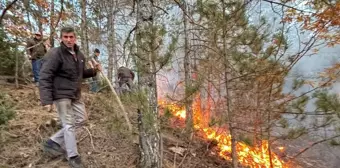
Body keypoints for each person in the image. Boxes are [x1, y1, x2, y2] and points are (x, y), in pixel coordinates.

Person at [39, 26, 101, 168]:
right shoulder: (55, 54)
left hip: (75, 94)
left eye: (71, 37)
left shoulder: (79, 55)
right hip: (61, 94)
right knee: (68, 124)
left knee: (81, 120)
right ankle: (73, 156)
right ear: (61, 38)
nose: (68, 40)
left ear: (75, 38)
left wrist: (93, 71)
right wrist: (46, 100)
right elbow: (44, 76)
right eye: (65, 37)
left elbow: (80, 74)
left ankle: (52, 142)